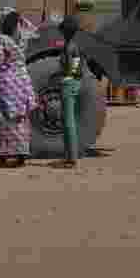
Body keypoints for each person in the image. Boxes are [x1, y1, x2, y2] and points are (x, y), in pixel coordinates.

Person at [0, 10, 37, 166]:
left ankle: (3, 156)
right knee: (21, 120)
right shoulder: (22, 40)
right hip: (22, 84)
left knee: (4, 120)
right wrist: (20, 18)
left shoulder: (1, 40)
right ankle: (22, 156)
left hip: (6, 85)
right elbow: (32, 29)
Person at [58, 15, 84, 168]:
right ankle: (70, 157)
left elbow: (70, 69)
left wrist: (65, 78)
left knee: (68, 121)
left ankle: (71, 158)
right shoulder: (75, 45)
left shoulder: (69, 47)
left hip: (69, 83)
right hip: (74, 82)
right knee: (70, 120)